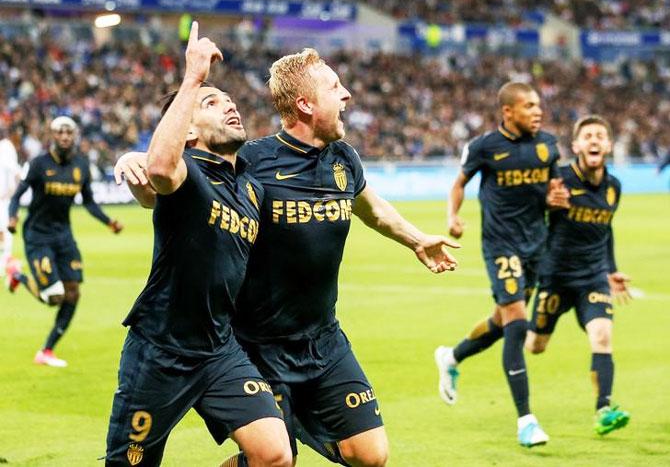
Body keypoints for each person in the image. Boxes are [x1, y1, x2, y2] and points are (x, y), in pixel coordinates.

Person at [116, 47, 459, 467]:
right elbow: (175, 186)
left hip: (323, 338)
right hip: (260, 344)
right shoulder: (252, 162)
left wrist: (416, 239)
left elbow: (373, 209)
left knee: (371, 456)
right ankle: (288, 423)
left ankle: (298, 420)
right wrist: (133, 160)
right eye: (335, 87)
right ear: (305, 103)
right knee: (277, 459)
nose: (347, 94)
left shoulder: (344, 159)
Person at [105, 22, 291, 467]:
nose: (229, 107)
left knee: (275, 455)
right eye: (213, 103)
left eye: (230, 101)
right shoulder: (188, 173)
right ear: (188, 131)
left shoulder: (251, 187)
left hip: (219, 351)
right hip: (159, 352)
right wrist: (193, 80)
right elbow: (160, 173)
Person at [433, 82, 570, 447]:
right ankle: (526, 419)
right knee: (517, 321)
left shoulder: (549, 145)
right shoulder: (485, 147)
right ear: (508, 112)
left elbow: (556, 189)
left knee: (500, 320)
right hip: (501, 245)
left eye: (538, 105)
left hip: (535, 247)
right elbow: (458, 184)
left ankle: (451, 356)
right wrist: (453, 216)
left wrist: (558, 198)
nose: (537, 111)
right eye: (528, 106)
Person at [525, 115, 631, 435]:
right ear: (576, 146)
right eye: (588, 136)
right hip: (555, 277)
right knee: (535, 346)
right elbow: (533, 214)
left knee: (602, 336)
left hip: (593, 277)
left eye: (600, 135)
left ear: (609, 145)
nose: (595, 140)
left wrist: (610, 271)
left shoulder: (614, 187)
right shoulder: (559, 180)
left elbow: (605, 229)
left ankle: (604, 410)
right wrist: (545, 202)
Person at [6, 116, 123, 368]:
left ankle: (46, 351)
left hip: (63, 236)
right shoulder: (38, 164)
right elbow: (17, 197)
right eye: (60, 132)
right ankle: (18, 275)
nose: (65, 137)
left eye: (69, 132)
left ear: (75, 135)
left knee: (73, 293)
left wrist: (108, 222)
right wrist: (13, 218)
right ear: (52, 135)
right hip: (38, 236)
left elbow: (89, 202)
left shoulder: (81, 166)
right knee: (54, 297)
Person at [0, 125, 22, 270]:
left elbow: (14, 171)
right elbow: (16, 171)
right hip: (5, 198)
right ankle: (4, 262)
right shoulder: (7, 147)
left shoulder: (4, 147)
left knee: (4, 230)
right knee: (5, 231)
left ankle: (4, 262)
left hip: (4, 197)